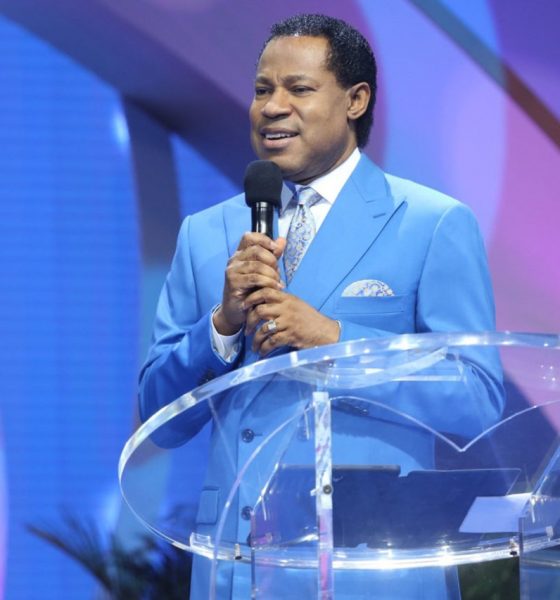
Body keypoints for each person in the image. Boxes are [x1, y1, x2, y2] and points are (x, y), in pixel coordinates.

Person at [139, 14, 502, 599]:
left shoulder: (432, 223)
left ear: (355, 100)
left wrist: (335, 339)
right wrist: (222, 328)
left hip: (371, 569)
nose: (272, 107)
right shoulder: (206, 233)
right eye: (262, 89)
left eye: (299, 89)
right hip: (239, 570)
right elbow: (159, 415)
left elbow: (477, 400)